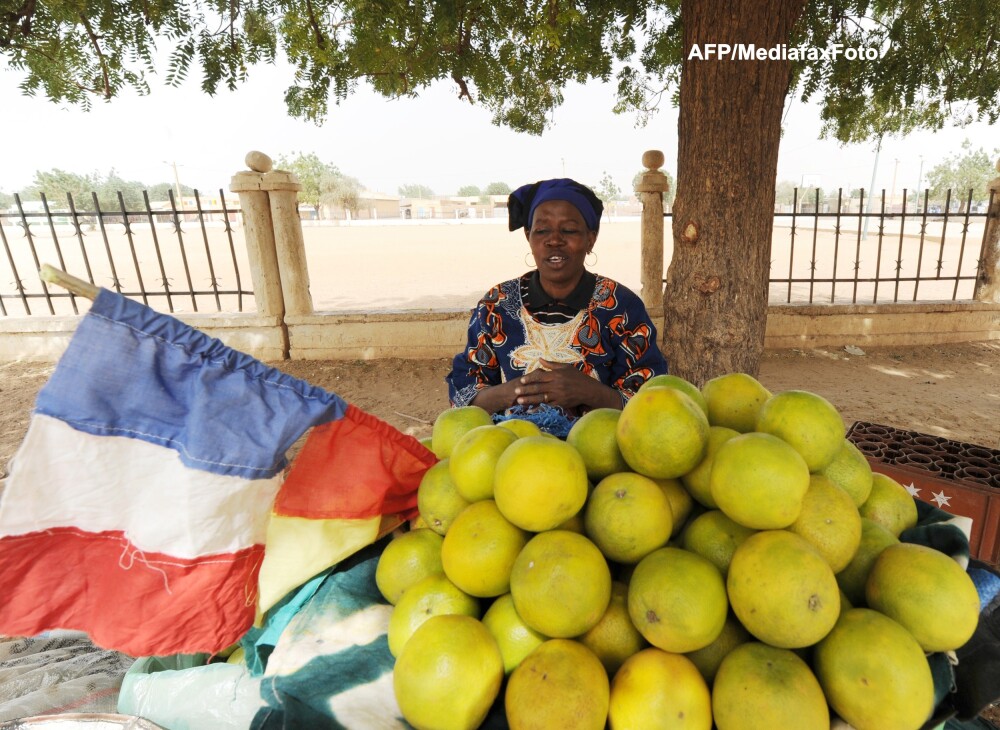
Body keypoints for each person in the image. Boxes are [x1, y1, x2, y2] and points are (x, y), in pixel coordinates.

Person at [446, 177, 668, 436]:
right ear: (528, 236)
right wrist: (514, 391)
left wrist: (589, 392)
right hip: (507, 452)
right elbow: (464, 395)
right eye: (542, 231)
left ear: (590, 239)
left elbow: (650, 402)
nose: (554, 240)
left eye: (569, 230)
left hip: (598, 454)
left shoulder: (620, 306)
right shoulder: (496, 305)